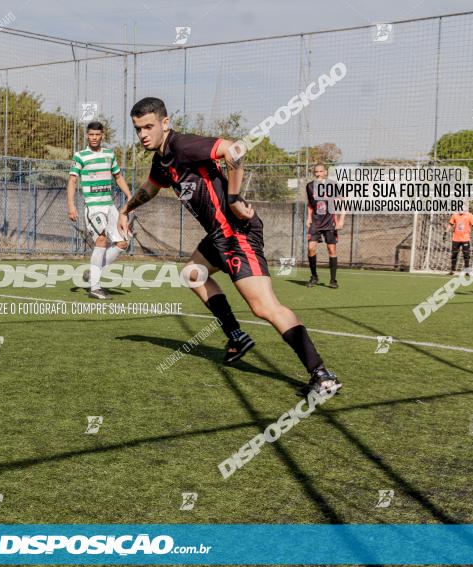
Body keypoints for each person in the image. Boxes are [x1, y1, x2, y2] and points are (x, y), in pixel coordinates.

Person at [120, 97, 341, 397]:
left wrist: (235, 198)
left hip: (237, 233)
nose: (143, 134)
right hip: (218, 236)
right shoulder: (162, 161)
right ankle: (236, 336)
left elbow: (234, 150)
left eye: (148, 126)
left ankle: (322, 374)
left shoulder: (183, 146)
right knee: (193, 274)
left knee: (264, 307)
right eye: (138, 129)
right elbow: (150, 188)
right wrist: (125, 210)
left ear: (165, 123)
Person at [67, 121, 133, 299]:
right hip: (93, 207)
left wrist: (129, 196)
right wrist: (71, 205)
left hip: (110, 206)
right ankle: (95, 287)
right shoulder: (80, 156)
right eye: (91, 135)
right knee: (102, 240)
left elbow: (118, 176)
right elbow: (72, 181)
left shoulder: (109, 154)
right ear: (87, 136)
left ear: (102, 135)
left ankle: (94, 272)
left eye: (97, 135)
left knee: (122, 243)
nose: (94, 138)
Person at [306, 163, 345, 288]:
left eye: (321, 171)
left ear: (325, 172)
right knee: (311, 248)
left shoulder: (333, 185)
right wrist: (308, 217)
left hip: (330, 222)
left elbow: (344, 202)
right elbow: (310, 204)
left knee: (331, 249)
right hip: (315, 222)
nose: (318, 174)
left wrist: (341, 220)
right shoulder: (310, 186)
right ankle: (314, 277)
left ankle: (333, 280)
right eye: (316, 171)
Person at [448, 205, 473, 275]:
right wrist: (446, 232)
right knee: (454, 254)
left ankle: (467, 271)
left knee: (466, 255)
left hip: (465, 238)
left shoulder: (470, 215)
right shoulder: (455, 215)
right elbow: (450, 224)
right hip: (455, 238)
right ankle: (452, 270)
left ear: (465, 209)